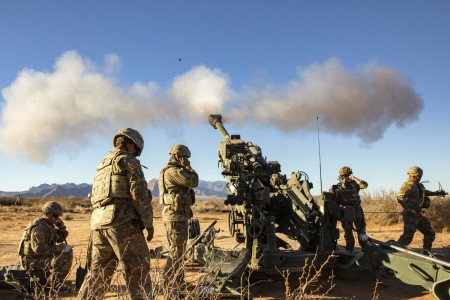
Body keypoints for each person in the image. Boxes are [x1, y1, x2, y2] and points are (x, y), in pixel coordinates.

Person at [78, 128, 154, 300]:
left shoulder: (102, 163)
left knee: (97, 274)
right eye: (136, 151)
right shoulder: (127, 160)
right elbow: (139, 193)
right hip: (122, 222)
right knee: (138, 271)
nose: (136, 155)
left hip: (98, 224)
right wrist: (148, 223)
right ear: (130, 144)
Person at [159, 144, 198, 287]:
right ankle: (171, 283)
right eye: (186, 157)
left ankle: (177, 282)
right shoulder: (173, 171)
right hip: (175, 217)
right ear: (179, 156)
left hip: (176, 215)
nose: (187, 160)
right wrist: (188, 167)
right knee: (177, 252)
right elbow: (193, 181)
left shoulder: (169, 170)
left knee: (178, 250)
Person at [18, 201, 73, 285]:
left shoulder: (48, 225)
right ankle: (54, 283)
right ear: (49, 214)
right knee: (65, 252)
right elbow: (39, 249)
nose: (57, 219)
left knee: (66, 250)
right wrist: (59, 248)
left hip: (39, 258)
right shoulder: (38, 227)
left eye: (58, 217)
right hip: (32, 262)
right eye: (56, 216)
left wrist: (62, 228)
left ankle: (54, 280)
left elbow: (59, 239)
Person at [396, 166, 447, 254]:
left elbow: (425, 192)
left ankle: (426, 254)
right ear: (416, 175)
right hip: (411, 215)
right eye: (419, 175)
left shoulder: (418, 185)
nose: (420, 177)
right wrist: (408, 210)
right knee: (407, 238)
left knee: (429, 233)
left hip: (418, 214)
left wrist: (437, 193)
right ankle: (389, 252)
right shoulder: (408, 185)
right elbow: (400, 197)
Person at [330, 166, 368, 251]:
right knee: (348, 230)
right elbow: (333, 199)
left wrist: (355, 179)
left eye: (349, 174)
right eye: (345, 175)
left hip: (357, 208)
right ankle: (350, 247)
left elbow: (365, 185)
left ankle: (365, 247)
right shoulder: (338, 186)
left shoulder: (354, 183)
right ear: (341, 176)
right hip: (346, 209)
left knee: (361, 227)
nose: (348, 177)